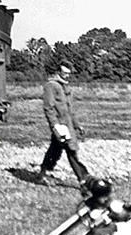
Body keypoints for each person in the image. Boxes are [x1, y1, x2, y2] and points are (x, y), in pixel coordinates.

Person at [37, 61, 92, 191]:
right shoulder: (51, 86)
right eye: (64, 73)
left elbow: (70, 110)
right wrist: (55, 125)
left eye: (68, 73)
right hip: (60, 127)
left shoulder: (66, 88)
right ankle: (84, 179)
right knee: (71, 151)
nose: (67, 76)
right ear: (58, 72)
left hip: (68, 126)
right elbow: (48, 108)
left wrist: (77, 125)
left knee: (54, 150)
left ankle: (43, 173)